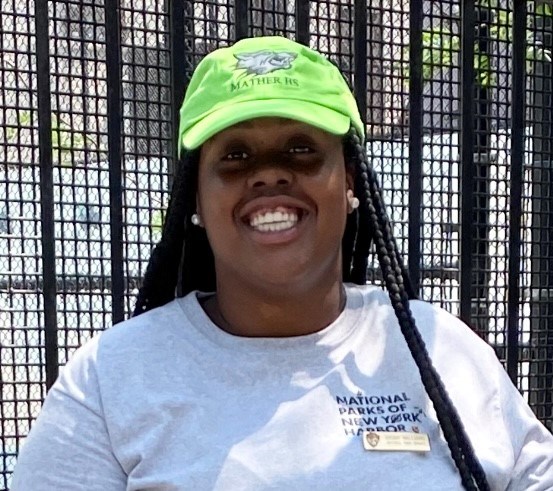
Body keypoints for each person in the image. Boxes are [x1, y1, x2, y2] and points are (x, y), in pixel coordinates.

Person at [11, 35, 553, 491]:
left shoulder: (445, 351)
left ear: (350, 183)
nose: (268, 174)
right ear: (194, 201)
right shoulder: (110, 380)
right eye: (235, 155)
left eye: (300, 149)